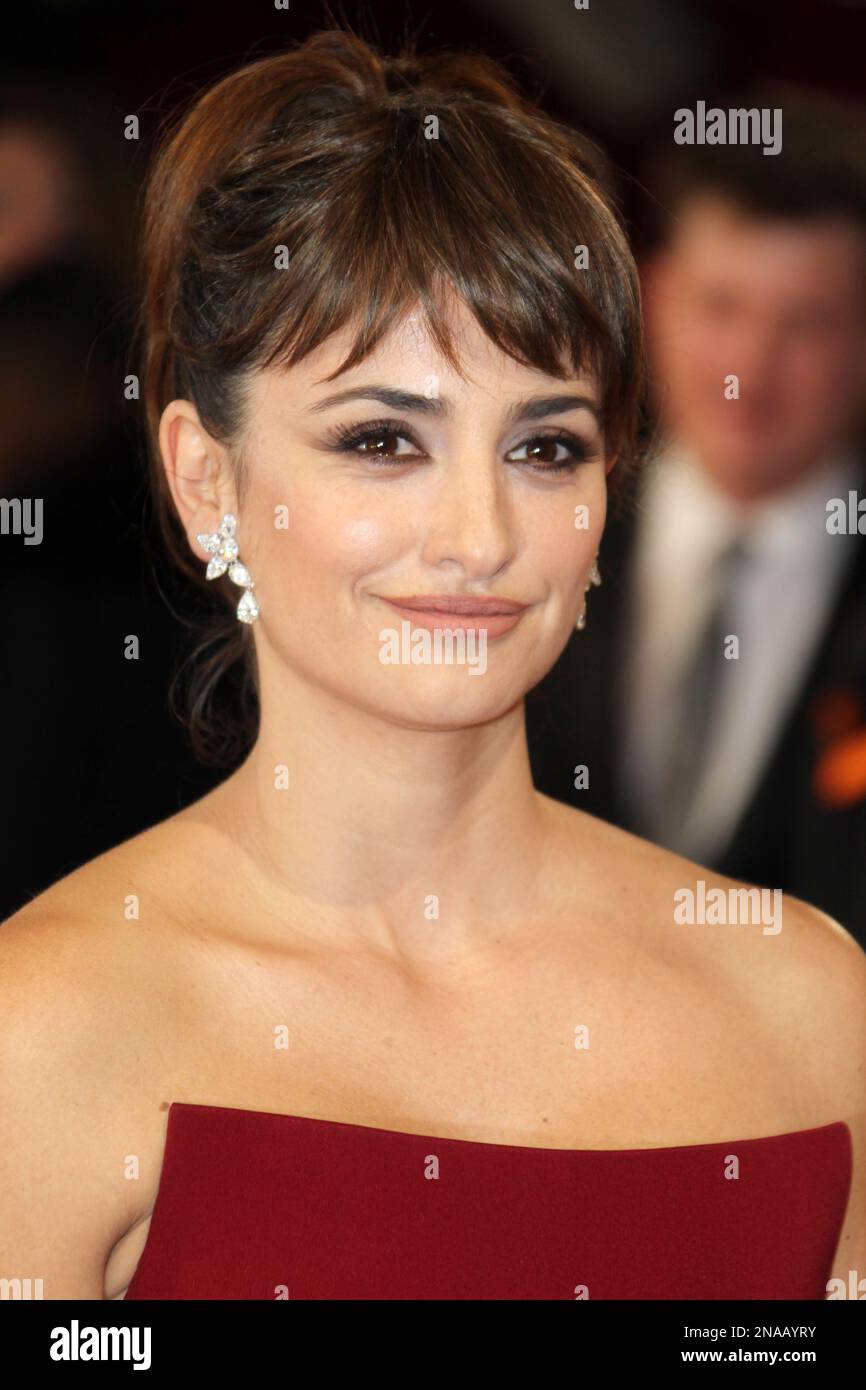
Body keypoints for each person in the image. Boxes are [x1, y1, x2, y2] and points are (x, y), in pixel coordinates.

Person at [0, 32, 863, 1302]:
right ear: (206, 479)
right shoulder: (47, 1033)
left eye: (545, 448)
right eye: (382, 439)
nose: (479, 537)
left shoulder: (811, 1006)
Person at [527, 91, 866, 942]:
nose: (751, 367)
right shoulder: (537, 523)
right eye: (722, 307)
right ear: (656, 296)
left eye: (808, 323)